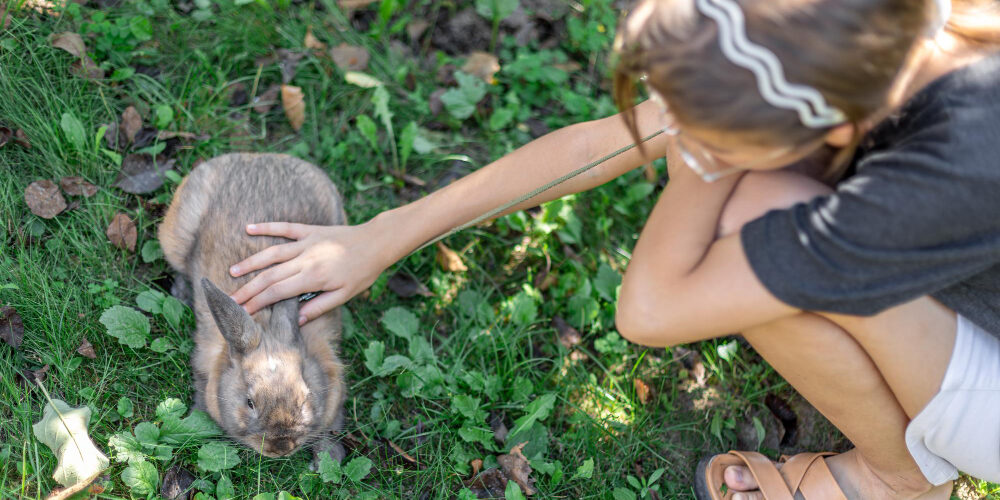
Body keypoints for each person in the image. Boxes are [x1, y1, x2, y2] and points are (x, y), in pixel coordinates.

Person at [227, 0, 1000, 497]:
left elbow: (655, 306)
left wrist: (705, 156)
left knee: (745, 222)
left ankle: (897, 483)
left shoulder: (929, 182)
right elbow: (606, 145)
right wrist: (385, 235)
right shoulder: (893, 41)